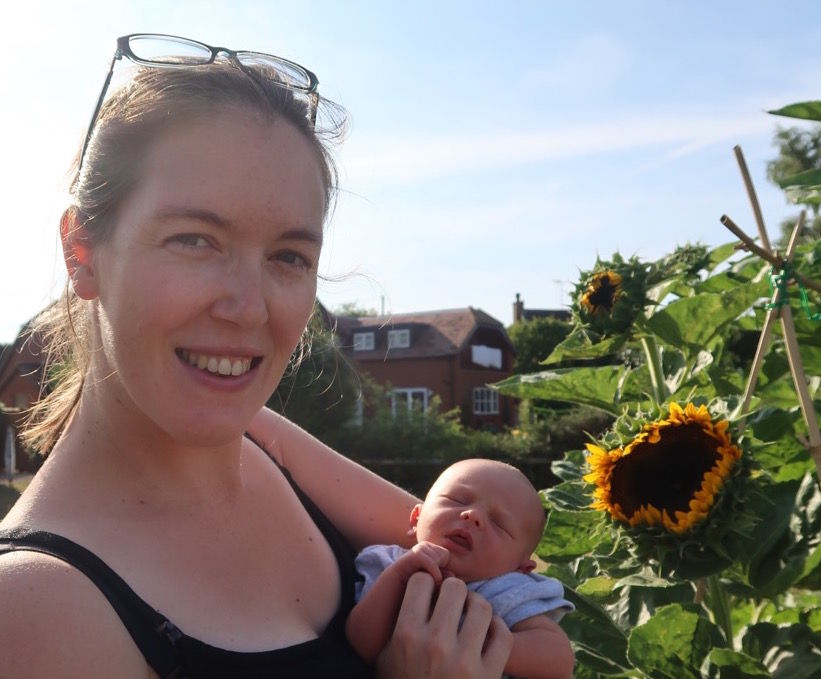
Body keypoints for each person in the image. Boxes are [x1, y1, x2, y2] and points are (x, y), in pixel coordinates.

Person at [0, 34, 511, 678]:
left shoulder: (274, 447)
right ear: (82, 252)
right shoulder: (30, 610)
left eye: (288, 257)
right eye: (194, 239)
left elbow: (507, 575)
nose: (249, 309)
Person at [346, 458, 575, 679]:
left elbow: (560, 660)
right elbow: (360, 643)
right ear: (416, 518)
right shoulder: (389, 563)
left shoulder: (507, 589)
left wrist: (480, 643)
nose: (473, 515)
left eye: (499, 523)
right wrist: (397, 577)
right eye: (457, 500)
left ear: (521, 567)